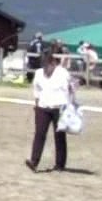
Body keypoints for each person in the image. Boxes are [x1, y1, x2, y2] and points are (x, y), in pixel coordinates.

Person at [26, 42, 74, 172]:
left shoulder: (62, 73)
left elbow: (70, 89)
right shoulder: (39, 73)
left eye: (49, 62)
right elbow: (36, 90)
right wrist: (36, 105)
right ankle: (34, 161)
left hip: (59, 108)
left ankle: (60, 164)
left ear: (53, 61)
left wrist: (69, 104)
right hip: (43, 107)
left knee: (59, 136)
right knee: (39, 134)